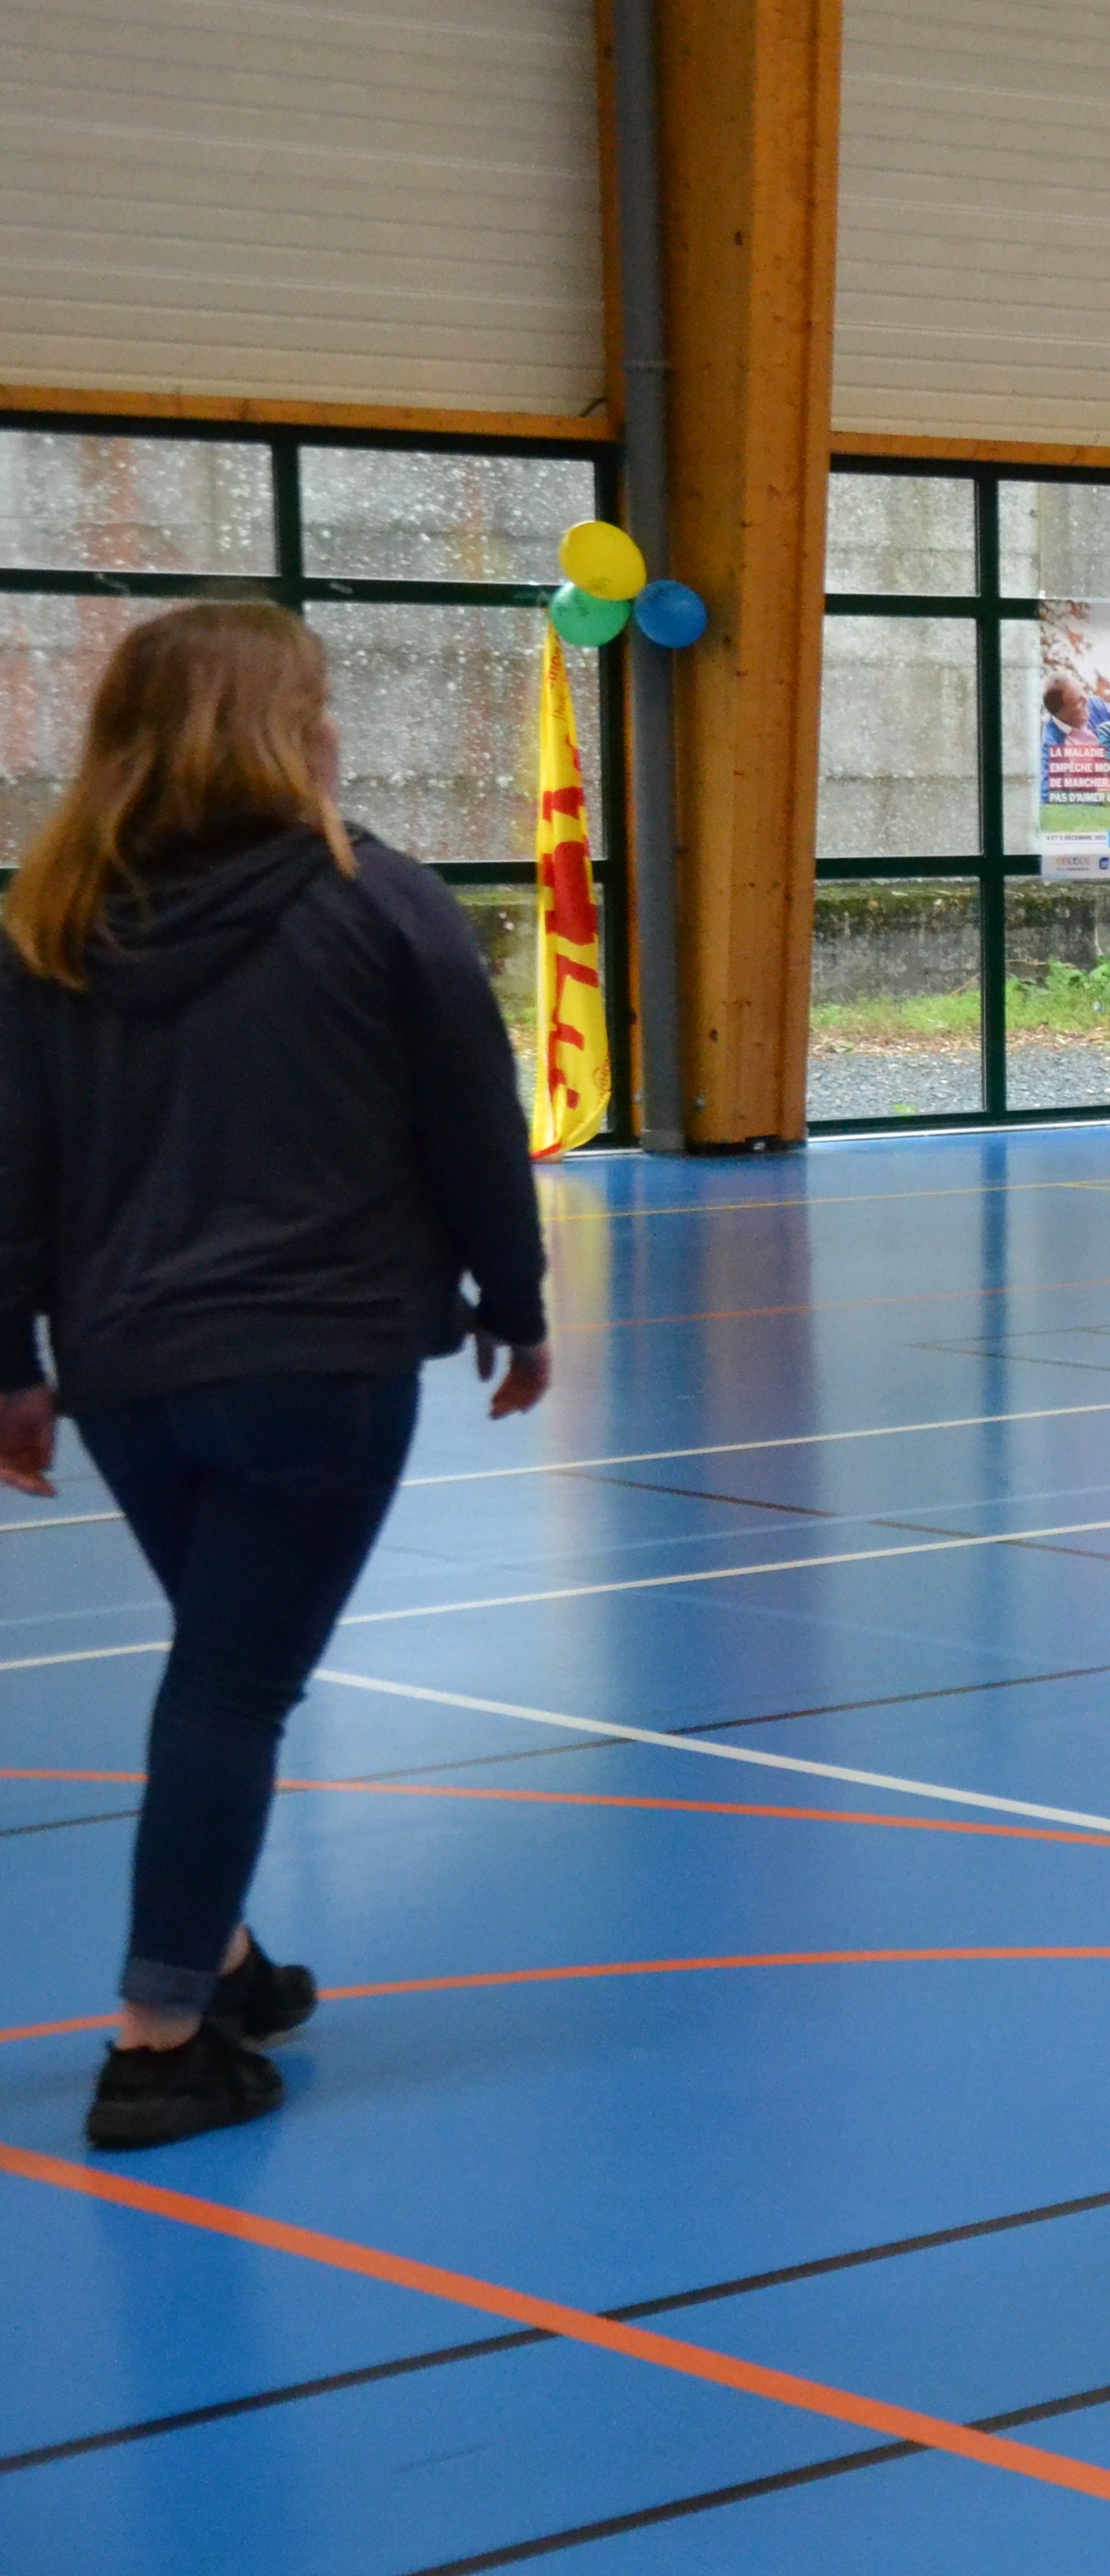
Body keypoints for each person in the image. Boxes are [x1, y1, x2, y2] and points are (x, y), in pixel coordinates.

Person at [0, 602, 553, 2152]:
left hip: (130, 1378)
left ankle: (225, 1964)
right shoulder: (379, 902)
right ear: (280, 728)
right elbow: (470, 1124)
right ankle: (158, 2038)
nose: (333, 728)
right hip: (320, 1367)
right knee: (234, 1681)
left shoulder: (53, 917)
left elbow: (11, 1164)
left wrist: (9, 1362)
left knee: (220, 1656)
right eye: (316, 703)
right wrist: (515, 1303)